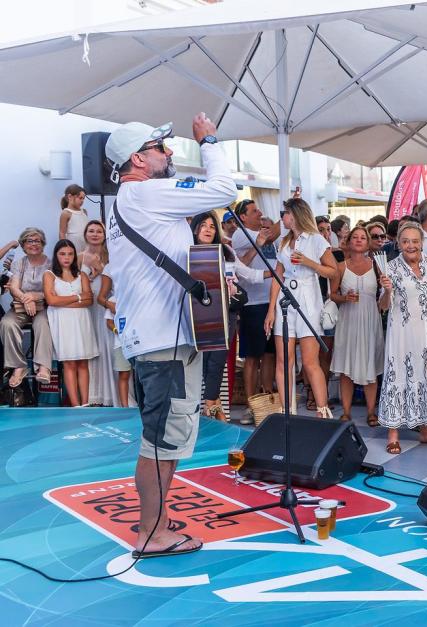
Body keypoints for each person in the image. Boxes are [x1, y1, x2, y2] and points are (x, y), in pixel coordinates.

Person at [105, 113, 236, 559]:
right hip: (164, 341)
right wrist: (210, 141)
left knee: (166, 436)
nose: (169, 152)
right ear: (137, 159)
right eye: (161, 147)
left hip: (162, 337)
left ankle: (156, 522)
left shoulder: (132, 199)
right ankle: (152, 532)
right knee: (161, 439)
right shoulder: (143, 192)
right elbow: (224, 190)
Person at [377, 222, 427, 454]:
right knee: (399, 375)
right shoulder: (390, 268)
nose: (411, 245)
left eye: (415, 241)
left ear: (422, 243)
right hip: (403, 334)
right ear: (398, 243)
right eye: (406, 241)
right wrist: (387, 290)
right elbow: (382, 306)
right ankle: (393, 433)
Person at [264, 197, 337, 417]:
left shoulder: (315, 240)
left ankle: (322, 410)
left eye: (284, 213)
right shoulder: (284, 242)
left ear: (294, 215)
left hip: (308, 298)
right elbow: (278, 275)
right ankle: (287, 411)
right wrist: (271, 310)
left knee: (309, 360)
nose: (282, 217)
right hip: (286, 298)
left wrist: (310, 263)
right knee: (283, 359)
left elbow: (333, 271)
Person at [192, 211, 266, 422]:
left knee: (217, 362)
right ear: (195, 228)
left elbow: (249, 275)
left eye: (212, 226)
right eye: (203, 225)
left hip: (226, 313)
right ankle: (211, 410)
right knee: (201, 364)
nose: (208, 229)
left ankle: (211, 408)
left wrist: (279, 273)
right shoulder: (187, 251)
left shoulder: (225, 250)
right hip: (198, 315)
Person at [330, 226, 384, 425]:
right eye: (355, 237)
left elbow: (386, 289)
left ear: (368, 241)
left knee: (370, 363)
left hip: (370, 318)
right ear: (349, 241)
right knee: (346, 366)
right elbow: (332, 294)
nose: (359, 240)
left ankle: (371, 412)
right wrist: (344, 297)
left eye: (363, 237)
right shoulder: (341, 266)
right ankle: (346, 411)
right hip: (348, 319)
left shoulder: (376, 264)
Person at [230, 198, 280, 411]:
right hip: (253, 303)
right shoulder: (241, 233)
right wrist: (288, 214)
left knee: (269, 354)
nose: (259, 213)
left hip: (271, 301)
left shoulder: (260, 234)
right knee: (252, 356)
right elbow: (269, 237)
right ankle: (252, 404)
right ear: (243, 217)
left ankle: (266, 401)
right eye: (254, 210)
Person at [43, 239, 98, 407]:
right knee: (69, 362)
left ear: (74, 255)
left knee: (83, 361)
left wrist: (64, 301)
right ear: (56, 255)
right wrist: (78, 297)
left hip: (81, 321)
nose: (66, 257)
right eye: (62, 254)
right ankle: (75, 405)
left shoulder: (81, 275)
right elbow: (51, 300)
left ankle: (86, 403)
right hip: (63, 322)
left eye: (70, 254)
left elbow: (90, 300)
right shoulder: (49, 274)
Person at [2, 228, 53, 388]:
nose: (34, 244)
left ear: (43, 243)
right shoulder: (19, 263)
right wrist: (26, 299)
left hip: (43, 306)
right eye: (30, 241)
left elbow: (51, 289)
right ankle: (19, 366)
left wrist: (34, 296)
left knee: (43, 323)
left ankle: (43, 367)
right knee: (6, 323)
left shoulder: (50, 263)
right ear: (23, 245)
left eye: (37, 240)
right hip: (21, 307)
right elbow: (14, 287)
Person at [78, 220, 117, 406]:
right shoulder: (78, 257)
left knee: (108, 347)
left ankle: (112, 394)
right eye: (91, 231)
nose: (94, 234)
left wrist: (100, 268)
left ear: (104, 235)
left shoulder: (112, 256)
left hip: (105, 306)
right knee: (90, 349)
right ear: (85, 234)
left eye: (99, 231)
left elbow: (115, 280)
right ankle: (94, 395)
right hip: (86, 308)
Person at [59, 184, 90, 255]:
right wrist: (64, 248)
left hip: (85, 245)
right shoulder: (66, 213)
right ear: (70, 197)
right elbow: (62, 233)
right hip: (73, 246)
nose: (82, 201)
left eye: (83, 198)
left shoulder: (84, 211)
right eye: (80, 198)